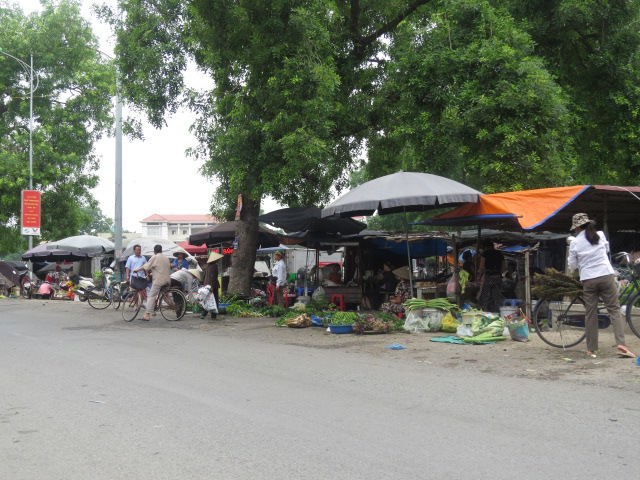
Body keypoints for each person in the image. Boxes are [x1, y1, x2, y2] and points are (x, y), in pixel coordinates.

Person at [567, 213, 635, 358]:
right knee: (614, 310)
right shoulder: (600, 235)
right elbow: (606, 251)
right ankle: (621, 343)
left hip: (588, 280)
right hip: (605, 275)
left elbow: (572, 266)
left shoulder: (575, 242)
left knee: (591, 313)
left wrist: (579, 265)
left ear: (577, 227)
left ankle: (591, 349)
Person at [134, 244, 172, 321]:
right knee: (165, 296)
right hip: (167, 280)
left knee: (151, 296)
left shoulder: (155, 257)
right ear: (161, 250)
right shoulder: (166, 258)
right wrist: (152, 273)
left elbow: (146, 266)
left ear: (154, 251)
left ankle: (147, 315)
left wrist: (137, 269)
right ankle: (175, 306)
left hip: (159, 281)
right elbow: (161, 269)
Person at [477, 238, 505, 312]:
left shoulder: (485, 253)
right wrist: (499, 274)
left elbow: (481, 267)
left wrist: (479, 277)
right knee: (495, 296)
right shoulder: (499, 254)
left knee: (485, 295)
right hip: (497, 277)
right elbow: (504, 267)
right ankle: (495, 311)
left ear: (485, 247)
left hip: (488, 277)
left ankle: (483, 310)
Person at [204, 251, 223, 318]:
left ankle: (205, 314)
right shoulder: (214, 266)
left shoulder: (208, 265)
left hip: (207, 284)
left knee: (208, 299)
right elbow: (212, 276)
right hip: (212, 285)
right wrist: (212, 286)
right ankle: (213, 314)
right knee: (214, 299)